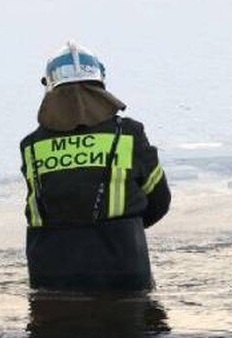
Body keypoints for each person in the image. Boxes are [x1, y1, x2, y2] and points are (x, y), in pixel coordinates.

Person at [19, 41, 170, 291]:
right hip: (123, 268)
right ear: (100, 83)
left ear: (49, 86)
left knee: (51, 316)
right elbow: (159, 200)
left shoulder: (31, 145)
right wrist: (122, 231)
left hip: (51, 274)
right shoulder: (129, 134)